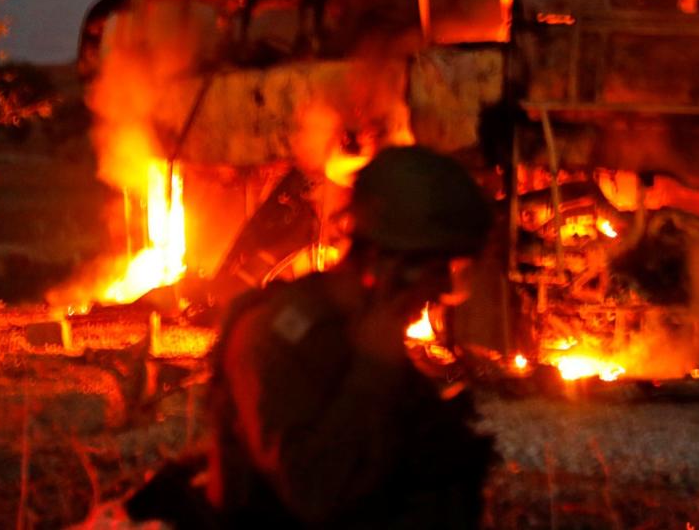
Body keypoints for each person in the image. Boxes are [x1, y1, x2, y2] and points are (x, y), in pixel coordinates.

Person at [204, 145, 496, 528]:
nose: (442, 288)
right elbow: (312, 493)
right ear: (390, 263)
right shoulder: (274, 336)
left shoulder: (371, 332)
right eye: (437, 267)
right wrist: (372, 369)